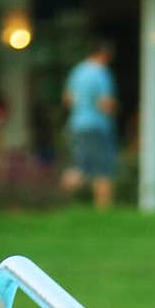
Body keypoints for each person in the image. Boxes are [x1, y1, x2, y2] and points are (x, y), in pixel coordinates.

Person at [60, 38, 118, 210]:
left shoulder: (78, 71)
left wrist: (82, 106)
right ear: (105, 55)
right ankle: (104, 211)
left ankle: (59, 203)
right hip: (96, 126)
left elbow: (68, 99)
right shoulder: (101, 73)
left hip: (77, 124)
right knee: (103, 169)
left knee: (80, 164)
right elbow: (105, 104)